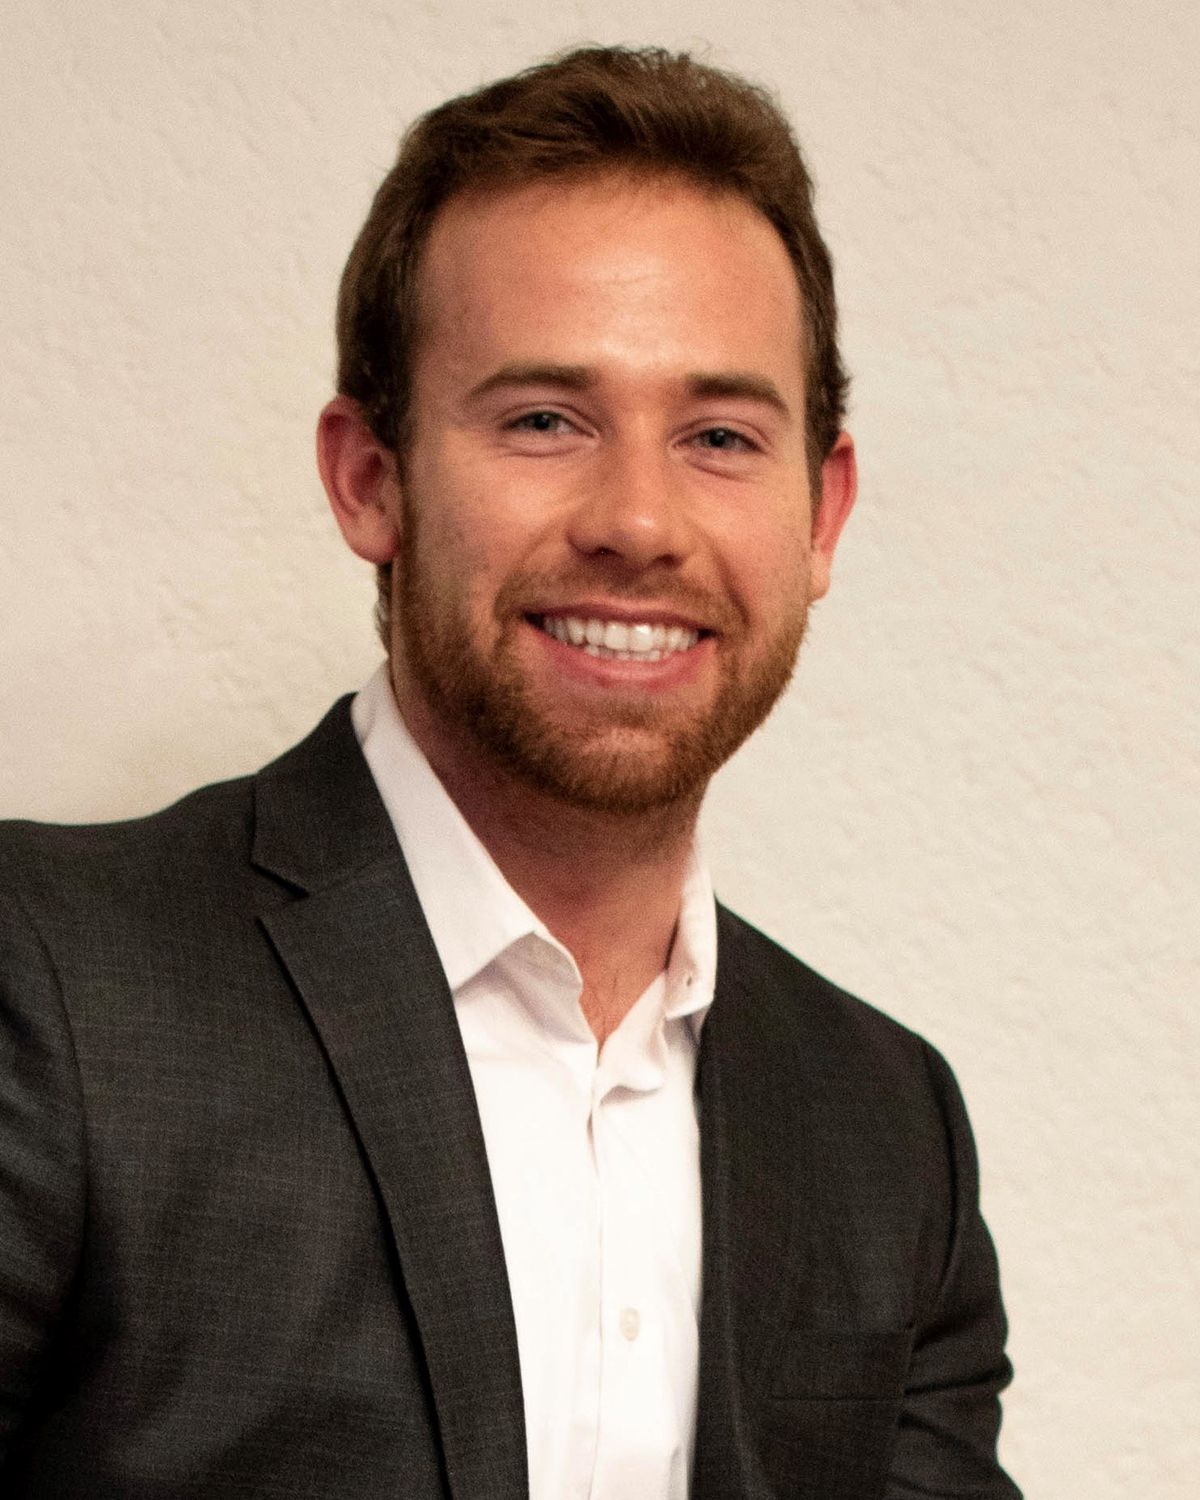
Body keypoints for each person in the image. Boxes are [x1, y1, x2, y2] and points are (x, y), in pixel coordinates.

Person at [0, 45, 1020, 1500]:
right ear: (370, 479)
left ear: (821, 515)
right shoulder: (49, 986)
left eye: (720, 437)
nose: (639, 521)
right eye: (545, 419)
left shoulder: (888, 1128)